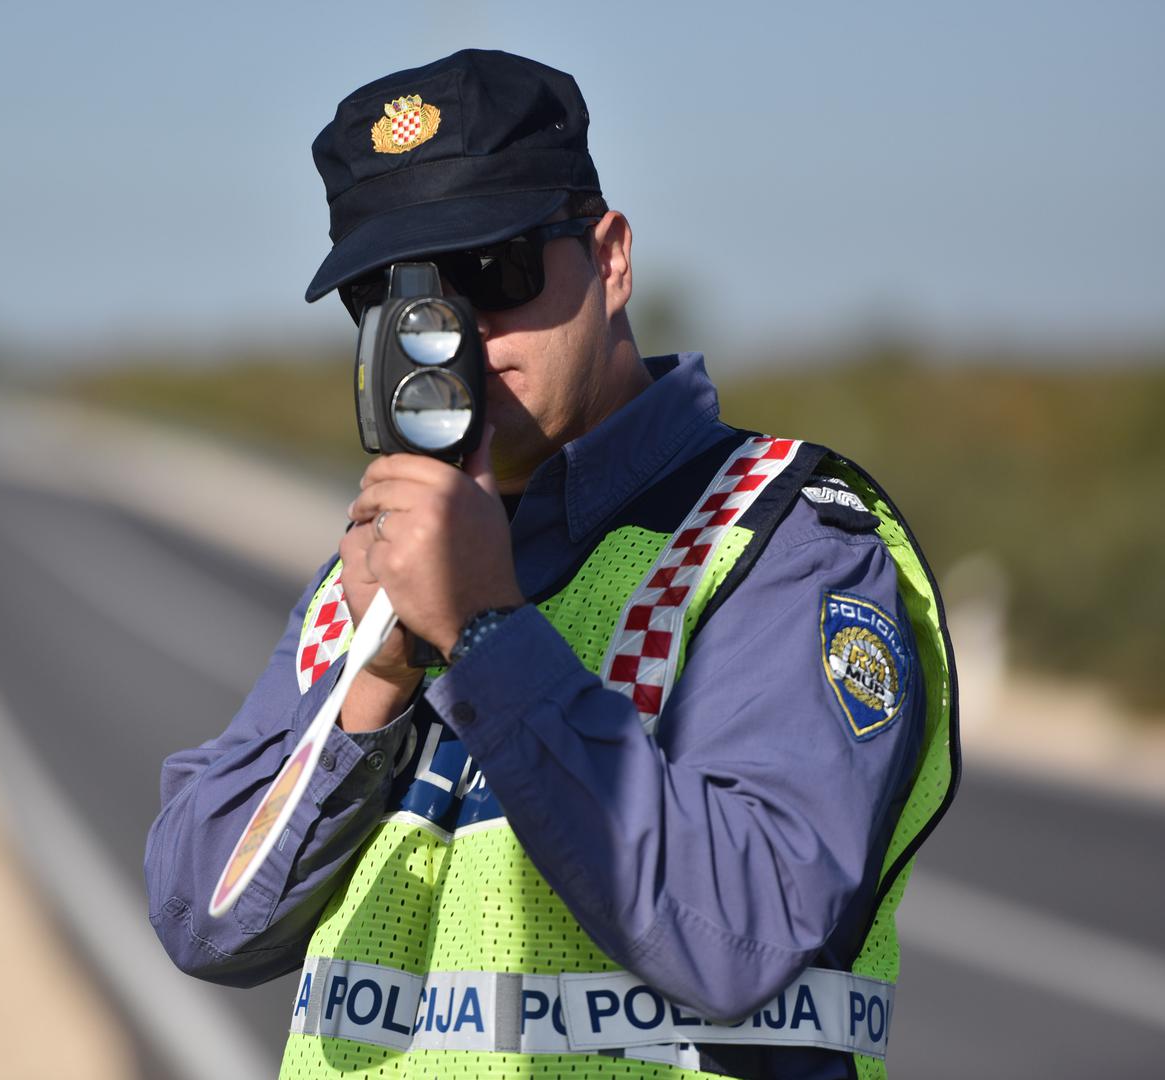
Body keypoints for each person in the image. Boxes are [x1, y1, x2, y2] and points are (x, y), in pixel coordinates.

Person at [145, 49, 958, 1079]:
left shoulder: (781, 539)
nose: (453, 342)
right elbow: (199, 915)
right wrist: (377, 682)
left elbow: (745, 933)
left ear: (610, 257)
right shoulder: (377, 561)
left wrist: (487, 636)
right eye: (395, 301)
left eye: (493, 274)